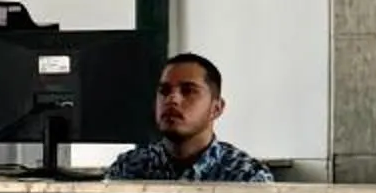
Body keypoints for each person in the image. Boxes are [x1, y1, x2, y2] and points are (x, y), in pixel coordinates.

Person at [106, 54, 273, 184]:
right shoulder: (128, 168)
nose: (172, 99)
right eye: (164, 91)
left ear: (216, 109)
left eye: (188, 91)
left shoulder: (246, 177)